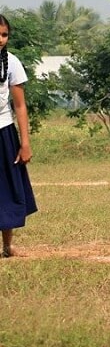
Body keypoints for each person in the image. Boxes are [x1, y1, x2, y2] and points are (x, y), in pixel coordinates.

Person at [0, 14, 37, 258]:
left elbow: (20, 106)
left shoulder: (11, 63)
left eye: (4, 35)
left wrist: (25, 143)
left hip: (3, 131)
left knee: (7, 189)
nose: (1, 39)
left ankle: (7, 246)